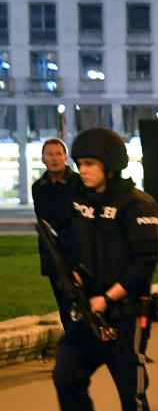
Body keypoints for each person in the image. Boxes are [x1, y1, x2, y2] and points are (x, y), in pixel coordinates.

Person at [51, 128, 158, 411]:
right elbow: (72, 246)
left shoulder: (138, 204)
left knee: (131, 391)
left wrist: (108, 297)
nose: (82, 170)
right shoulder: (79, 201)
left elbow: (145, 262)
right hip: (88, 313)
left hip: (126, 313)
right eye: (80, 164)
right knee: (66, 376)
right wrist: (78, 277)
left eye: (90, 164)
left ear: (110, 166)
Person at [32, 137, 81, 327]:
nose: (54, 158)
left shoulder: (79, 184)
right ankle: (73, 347)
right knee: (63, 303)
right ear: (43, 159)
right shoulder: (39, 187)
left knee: (82, 302)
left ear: (65, 157)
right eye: (50, 154)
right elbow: (41, 218)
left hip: (77, 252)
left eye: (58, 154)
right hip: (52, 253)